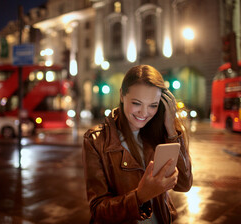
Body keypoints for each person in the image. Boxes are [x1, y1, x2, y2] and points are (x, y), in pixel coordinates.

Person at [82, 65, 193, 224]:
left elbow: (184, 184)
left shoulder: (160, 133)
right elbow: (98, 211)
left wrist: (171, 130)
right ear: (122, 95)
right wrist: (141, 196)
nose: (144, 113)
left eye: (153, 105)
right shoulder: (96, 140)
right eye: (136, 103)